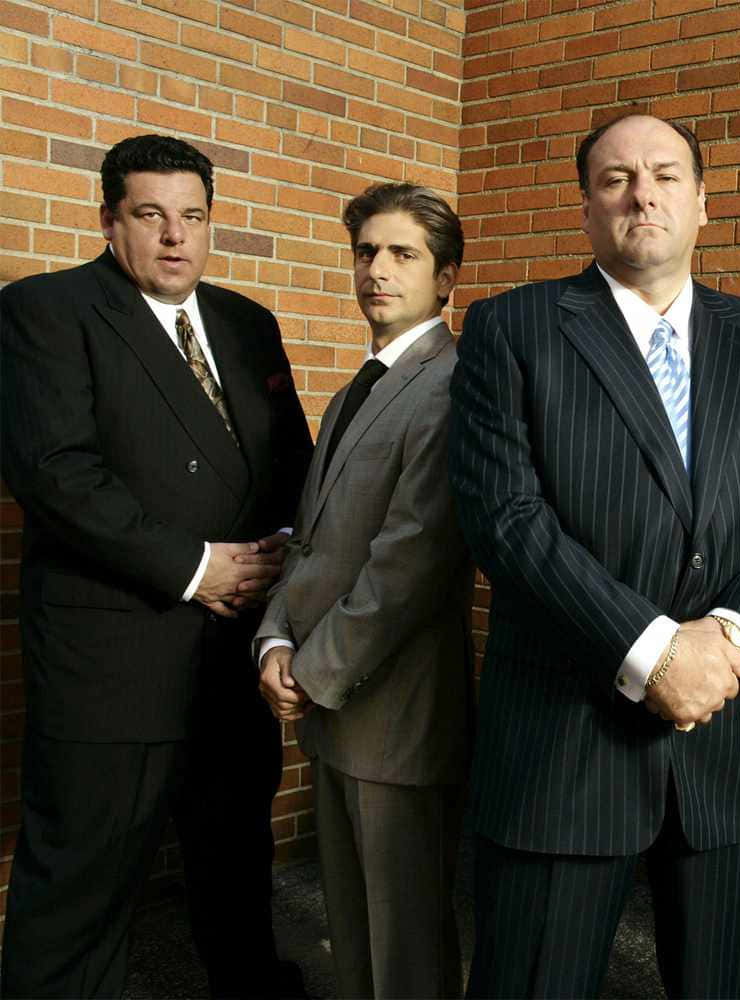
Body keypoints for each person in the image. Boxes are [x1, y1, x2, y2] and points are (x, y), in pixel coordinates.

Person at [448, 113, 740, 998]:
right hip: (565, 740)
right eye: (615, 178)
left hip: (727, 745)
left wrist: (736, 639)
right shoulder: (511, 328)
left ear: (704, 203)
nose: (643, 193)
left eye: (666, 175)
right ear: (587, 211)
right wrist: (655, 649)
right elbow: (505, 518)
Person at [0, 134, 313, 997]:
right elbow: (55, 473)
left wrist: (285, 546)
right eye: (150, 215)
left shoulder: (249, 323)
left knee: (235, 867)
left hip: (234, 655)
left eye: (193, 216)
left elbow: (292, 459)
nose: (175, 236)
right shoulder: (45, 312)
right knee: (81, 892)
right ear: (109, 221)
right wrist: (194, 568)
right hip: (113, 663)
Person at [254, 182, 473, 998]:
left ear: (445, 278)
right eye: (365, 251)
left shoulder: (453, 386)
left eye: (402, 254)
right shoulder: (356, 391)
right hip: (334, 706)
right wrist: (274, 638)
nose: (376, 269)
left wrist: (307, 672)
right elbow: (309, 541)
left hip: (400, 715)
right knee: (353, 940)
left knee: (405, 953)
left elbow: (412, 560)